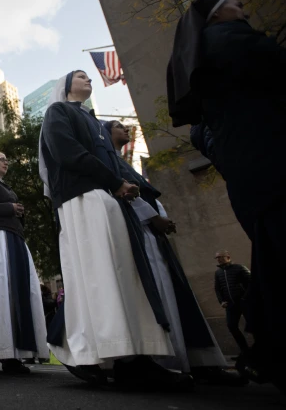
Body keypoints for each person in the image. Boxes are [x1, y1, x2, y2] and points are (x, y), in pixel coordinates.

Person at [39, 71, 191, 389]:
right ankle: (122, 357)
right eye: (80, 76)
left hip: (106, 198)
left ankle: (131, 355)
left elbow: (112, 162)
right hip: (82, 198)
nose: (88, 78)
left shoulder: (92, 121)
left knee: (124, 274)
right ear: (66, 86)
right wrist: (115, 182)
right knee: (102, 273)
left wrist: (121, 185)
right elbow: (67, 154)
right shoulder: (58, 112)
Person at [167, 0, 286, 389]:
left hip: (249, 175)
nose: (246, 6)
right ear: (216, 14)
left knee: (272, 258)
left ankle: (267, 351)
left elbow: (202, 130)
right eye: (236, 2)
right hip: (270, 162)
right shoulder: (232, 41)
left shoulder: (205, 59)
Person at [106, 120, 245, 385]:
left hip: (154, 234)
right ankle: (169, 362)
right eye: (117, 125)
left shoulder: (123, 163)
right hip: (141, 233)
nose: (125, 129)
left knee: (177, 291)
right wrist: (152, 218)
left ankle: (201, 362)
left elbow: (147, 194)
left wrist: (162, 217)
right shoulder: (111, 164)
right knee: (161, 294)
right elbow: (125, 196)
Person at [0, 152, 49, 375]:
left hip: (14, 239)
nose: (6, 162)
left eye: (7, 159)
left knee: (20, 291)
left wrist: (18, 212)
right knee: (1, 290)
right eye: (2, 159)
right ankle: (4, 351)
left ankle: (18, 350)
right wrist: (9, 208)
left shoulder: (9, 189)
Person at [214, 250, 251, 356]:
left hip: (244, 303)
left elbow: (252, 283)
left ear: (228, 257)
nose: (219, 259)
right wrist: (222, 301)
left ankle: (261, 349)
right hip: (230, 305)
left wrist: (245, 298)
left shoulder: (239, 268)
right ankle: (245, 351)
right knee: (231, 326)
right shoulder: (218, 273)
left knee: (254, 325)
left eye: (221, 257)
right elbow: (217, 289)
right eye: (217, 258)